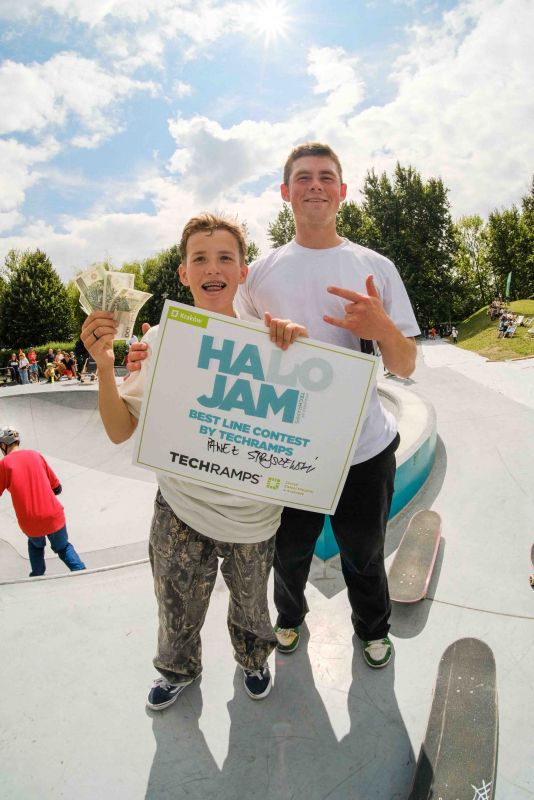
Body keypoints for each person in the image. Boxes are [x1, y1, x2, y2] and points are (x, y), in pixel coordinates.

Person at [128, 143, 420, 671]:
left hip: (364, 449)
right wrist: (155, 350)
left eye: (326, 177)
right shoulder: (259, 273)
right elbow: (220, 344)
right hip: (286, 452)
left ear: (342, 191)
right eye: (303, 177)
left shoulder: (375, 267)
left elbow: (407, 364)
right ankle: (289, 618)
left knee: (363, 553)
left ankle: (373, 630)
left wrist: (380, 331)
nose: (315, 185)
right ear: (285, 193)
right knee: (288, 555)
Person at [81, 213, 307, 710]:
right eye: (199, 258)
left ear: (243, 270)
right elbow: (121, 428)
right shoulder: (161, 340)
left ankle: (253, 660)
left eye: (225, 257)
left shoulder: (272, 340)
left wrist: (296, 348)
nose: (213, 267)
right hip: (181, 510)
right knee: (175, 602)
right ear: (183, 272)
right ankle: (177, 669)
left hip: (253, 516)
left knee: (252, 604)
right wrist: (104, 365)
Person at [0, 427, 86, 577]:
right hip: (53, 515)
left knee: (36, 546)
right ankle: (81, 573)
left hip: (30, 521)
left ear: (3, 445)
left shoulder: (4, 464)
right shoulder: (35, 455)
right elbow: (57, 488)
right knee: (63, 547)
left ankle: (37, 576)